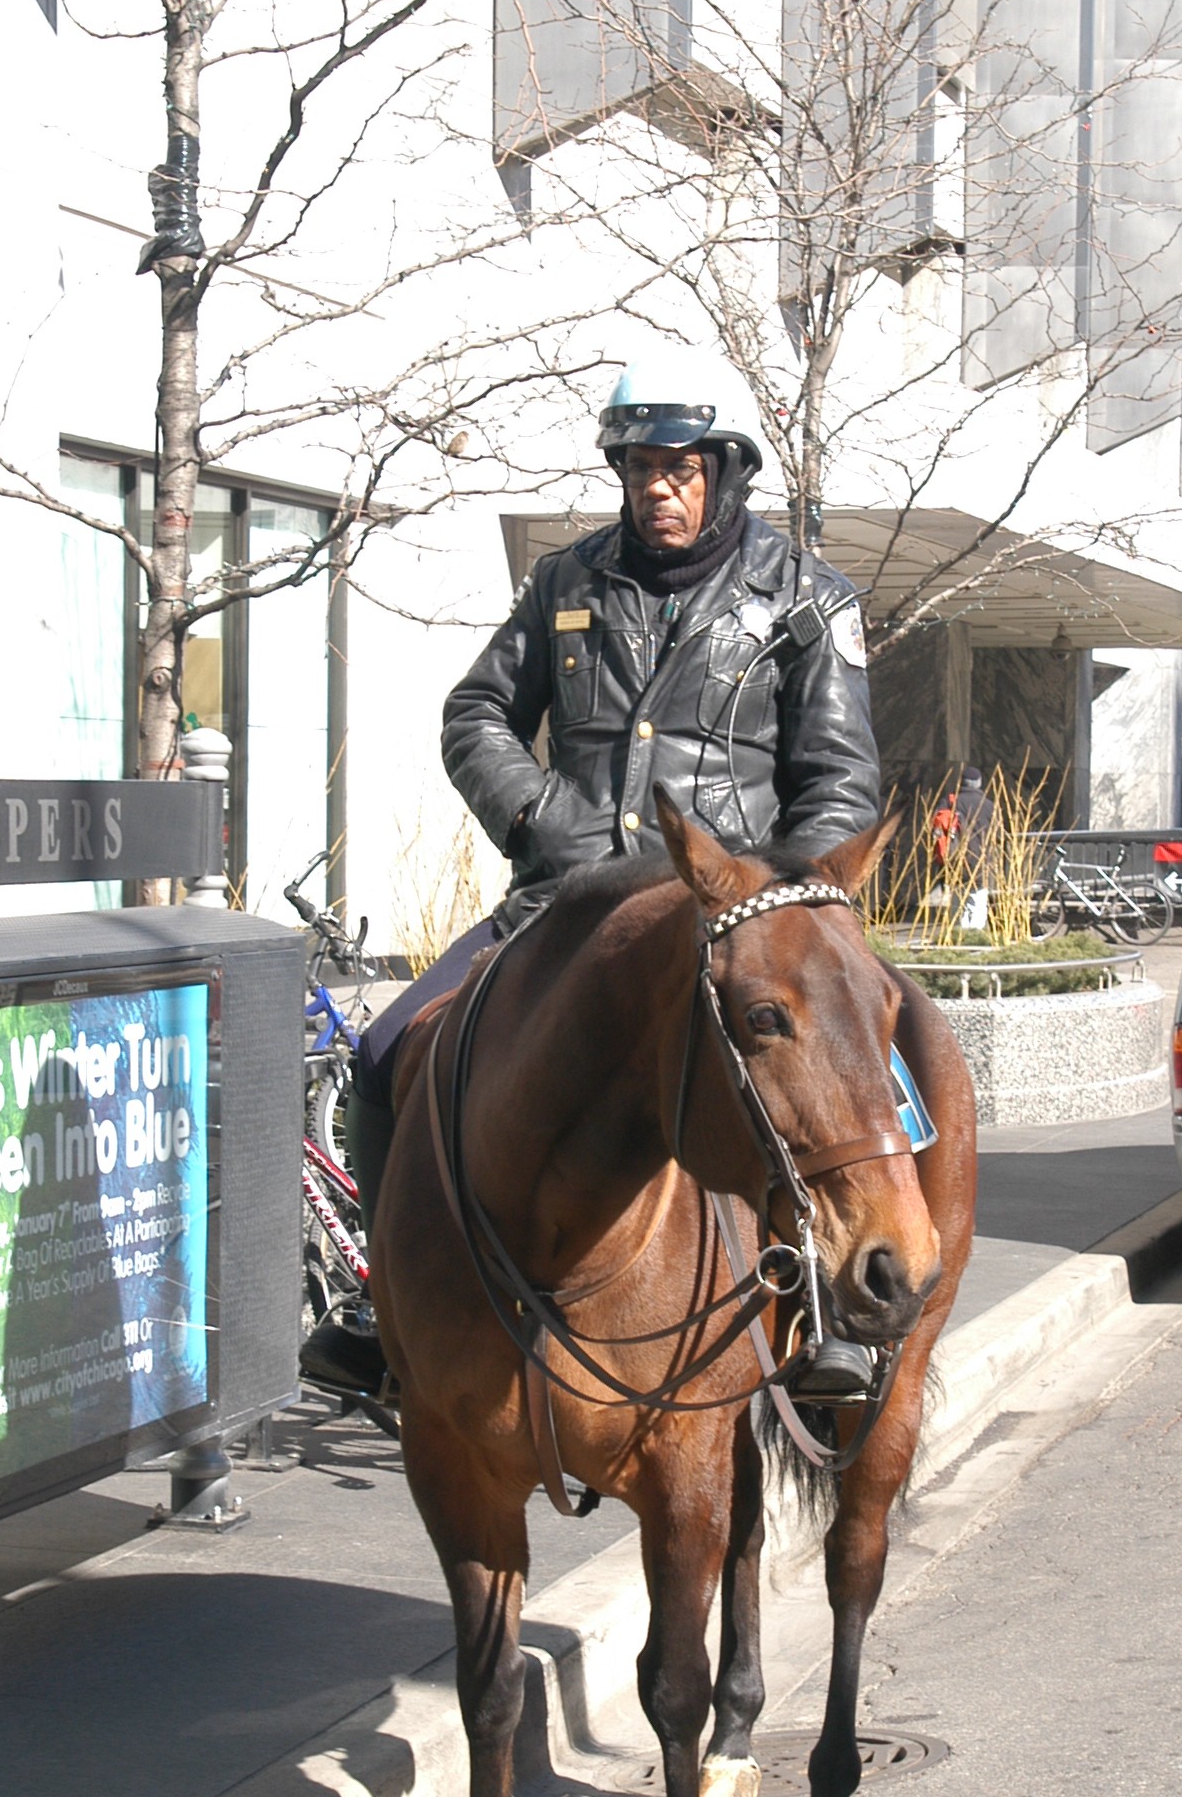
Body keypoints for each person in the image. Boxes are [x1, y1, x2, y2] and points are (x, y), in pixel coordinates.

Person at [300, 345, 884, 1405]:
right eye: (638, 468)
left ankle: (836, 1308)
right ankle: (389, 1310)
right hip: (559, 907)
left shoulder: (805, 598)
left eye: (678, 468)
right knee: (385, 1055)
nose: (656, 488)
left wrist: (773, 903)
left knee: (864, 1077)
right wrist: (539, 816)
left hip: (729, 922)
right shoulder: (563, 583)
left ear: (725, 470)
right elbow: (476, 713)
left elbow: (840, 785)